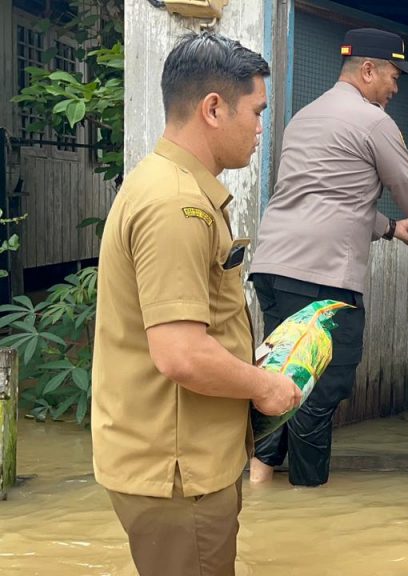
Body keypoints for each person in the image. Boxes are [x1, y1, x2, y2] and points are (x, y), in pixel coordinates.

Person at [91, 32, 302, 576]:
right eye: (256, 112)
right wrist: (266, 387)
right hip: (179, 471)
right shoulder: (176, 204)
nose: (261, 128)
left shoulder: (169, 185)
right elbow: (181, 354)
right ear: (213, 108)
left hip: (179, 460)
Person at [248, 27, 408, 486]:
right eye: (393, 76)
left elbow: (326, 196)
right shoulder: (373, 121)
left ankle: (259, 484)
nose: (396, 88)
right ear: (367, 70)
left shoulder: (304, 117)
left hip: (273, 267)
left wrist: (390, 229)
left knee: (281, 376)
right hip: (320, 276)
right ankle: (308, 496)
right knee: (322, 386)